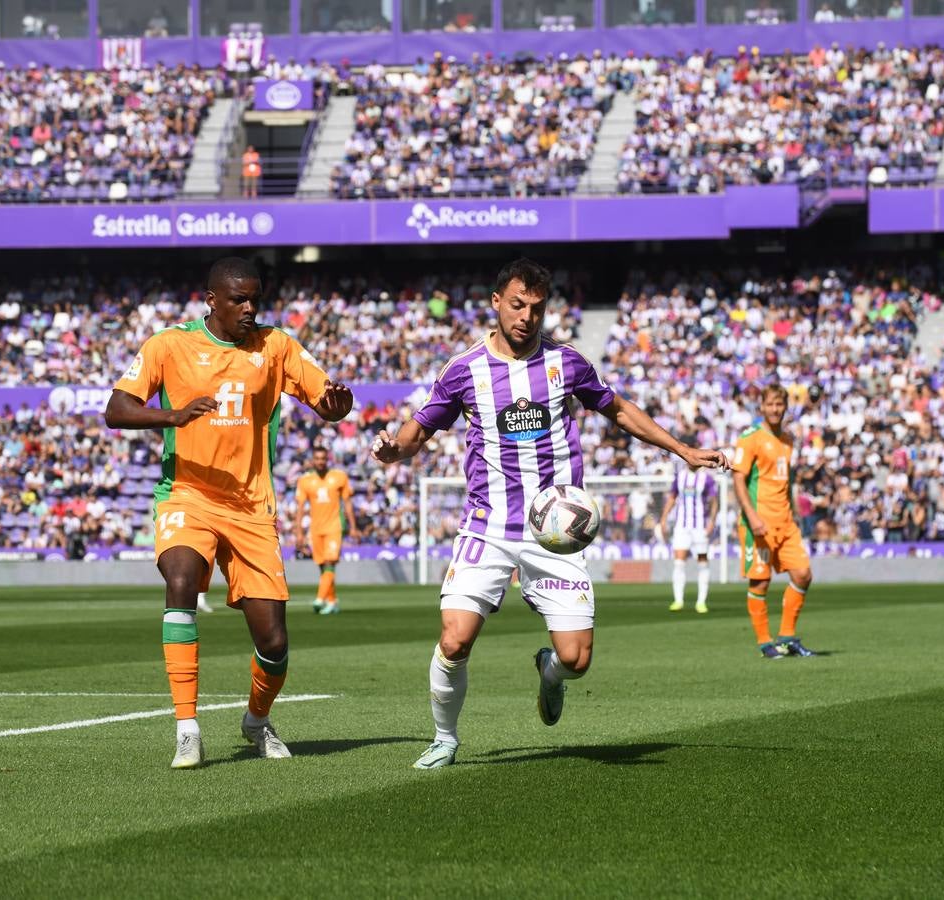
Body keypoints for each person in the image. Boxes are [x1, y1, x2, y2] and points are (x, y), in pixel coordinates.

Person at [370, 258, 726, 770]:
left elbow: (618, 409)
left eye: (537, 308)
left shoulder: (567, 363)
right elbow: (419, 430)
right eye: (518, 305)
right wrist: (393, 451)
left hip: (555, 530)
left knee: (576, 659)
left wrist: (682, 450)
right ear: (497, 302)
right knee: (454, 638)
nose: (527, 317)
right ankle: (445, 739)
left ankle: (550, 671)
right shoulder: (464, 369)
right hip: (488, 526)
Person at [104, 257, 353, 769]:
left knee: (274, 642)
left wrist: (336, 406)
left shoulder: (275, 345)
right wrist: (173, 414)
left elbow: (327, 400)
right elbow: (116, 409)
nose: (249, 308)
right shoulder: (168, 345)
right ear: (211, 300)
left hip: (251, 507)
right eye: (239, 299)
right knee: (180, 580)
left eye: (255, 298)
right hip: (187, 494)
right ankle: (187, 729)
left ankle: (256, 720)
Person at [730, 384, 815, 660]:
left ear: (786, 407)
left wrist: (794, 514)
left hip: (786, 521)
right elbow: (738, 479)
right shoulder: (750, 438)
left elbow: (786, 482)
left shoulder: (788, 440)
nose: (775, 409)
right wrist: (752, 516)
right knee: (760, 583)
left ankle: (787, 638)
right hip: (759, 522)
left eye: (780, 404)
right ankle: (765, 643)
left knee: (803, 574)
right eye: (770, 404)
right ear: (762, 407)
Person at [296, 445, 358, 614]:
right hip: (316, 529)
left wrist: (353, 527)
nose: (320, 462)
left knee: (330, 562)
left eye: (323, 458)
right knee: (323, 567)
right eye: (317, 459)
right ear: (312, 460)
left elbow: (348, 503)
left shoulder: (339, 477)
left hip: (334, 527)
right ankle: (332, 601)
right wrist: (299, 533)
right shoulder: (305, 481)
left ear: (327, 459)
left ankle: (319, 598)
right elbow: (300, 509)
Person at [660, 462, 718, 613]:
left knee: (703, 563)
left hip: (700, 527)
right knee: (679, 563)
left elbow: (714, 501)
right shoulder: (679, 477)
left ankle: (701, 602)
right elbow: (672, 498)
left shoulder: (706, 478)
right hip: (682, 526)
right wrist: (664, 518)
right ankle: (678, 600)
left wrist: (712, 522)